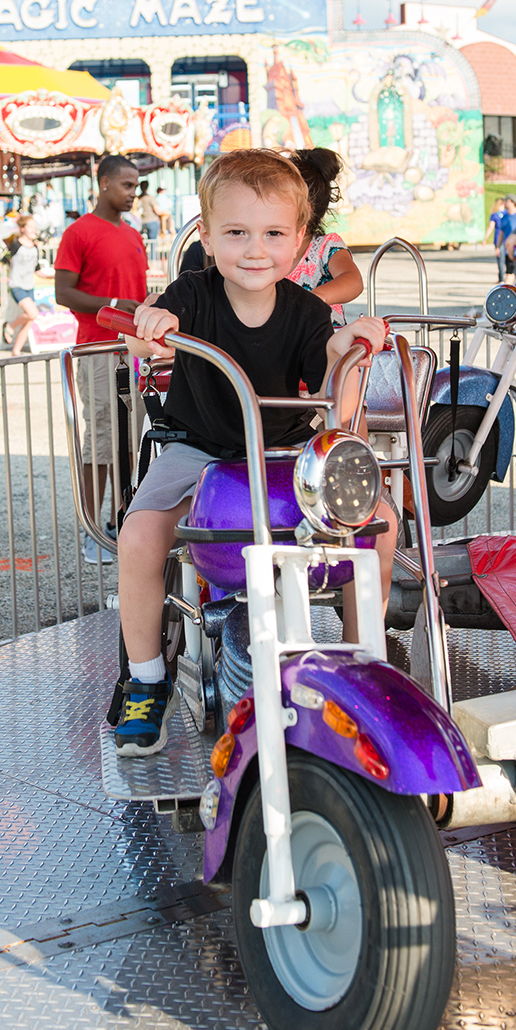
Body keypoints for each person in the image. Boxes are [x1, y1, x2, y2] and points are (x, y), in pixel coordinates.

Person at [112, 150, 397, 756]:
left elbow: (330, 359)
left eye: (272, 234)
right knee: (140, 534)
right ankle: (145, 679)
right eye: (236, 233)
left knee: (380, 521)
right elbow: (155, 325)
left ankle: (362, 651)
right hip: (198, 446)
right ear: (208, 239)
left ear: (299, 242)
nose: (254, 249)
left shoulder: (305, 307)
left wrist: (354, 342)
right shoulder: (194, 293)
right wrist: (153, 322)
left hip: (282, 448)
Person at [54, 156, 148, 564]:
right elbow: (63, 292)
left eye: (136, 186)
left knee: (131, 440)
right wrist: (111, 304)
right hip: (97, 348)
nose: (133, 193)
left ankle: (120, 520)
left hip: (134, 351)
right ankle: (91, 528)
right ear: (104, 182)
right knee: (101, 441)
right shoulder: (79, 233)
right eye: (127, 185)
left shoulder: (134, 236)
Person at [286, 148, 363, 324]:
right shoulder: (265, 249)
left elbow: (353, 280)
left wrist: (316, 298)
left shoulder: (325, 247)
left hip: (326, 345)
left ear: (304, 209)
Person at [0, 213, 41, 356]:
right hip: (16, 284)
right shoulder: (16, 244)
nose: (33, 230)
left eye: (34, 227)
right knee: (32, 313)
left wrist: (55, 275)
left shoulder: (35, 247)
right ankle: (10, 325)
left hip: (29, 285)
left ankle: (16, 350)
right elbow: (2, 262)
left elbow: (37, 270)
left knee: (29, 320)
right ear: (23, 228)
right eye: (30, 227)